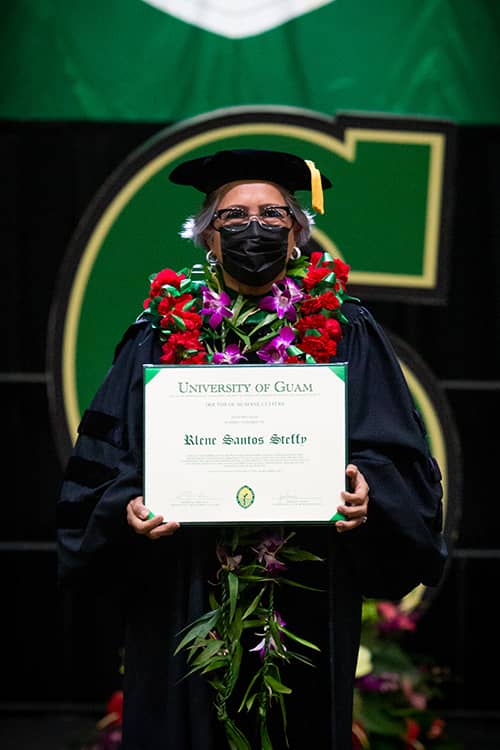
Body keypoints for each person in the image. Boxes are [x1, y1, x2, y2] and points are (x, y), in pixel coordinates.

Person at [57, 148, 447, 750]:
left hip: (305, 581)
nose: (253, 228)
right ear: (207, 237)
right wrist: (127, 506)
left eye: (272, 214)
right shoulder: (158, 330)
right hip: (182, 580)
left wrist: (369, 487)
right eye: (233, 216)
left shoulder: (347, 327)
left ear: (297, 233)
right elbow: (110, 461)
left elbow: (394, 450)